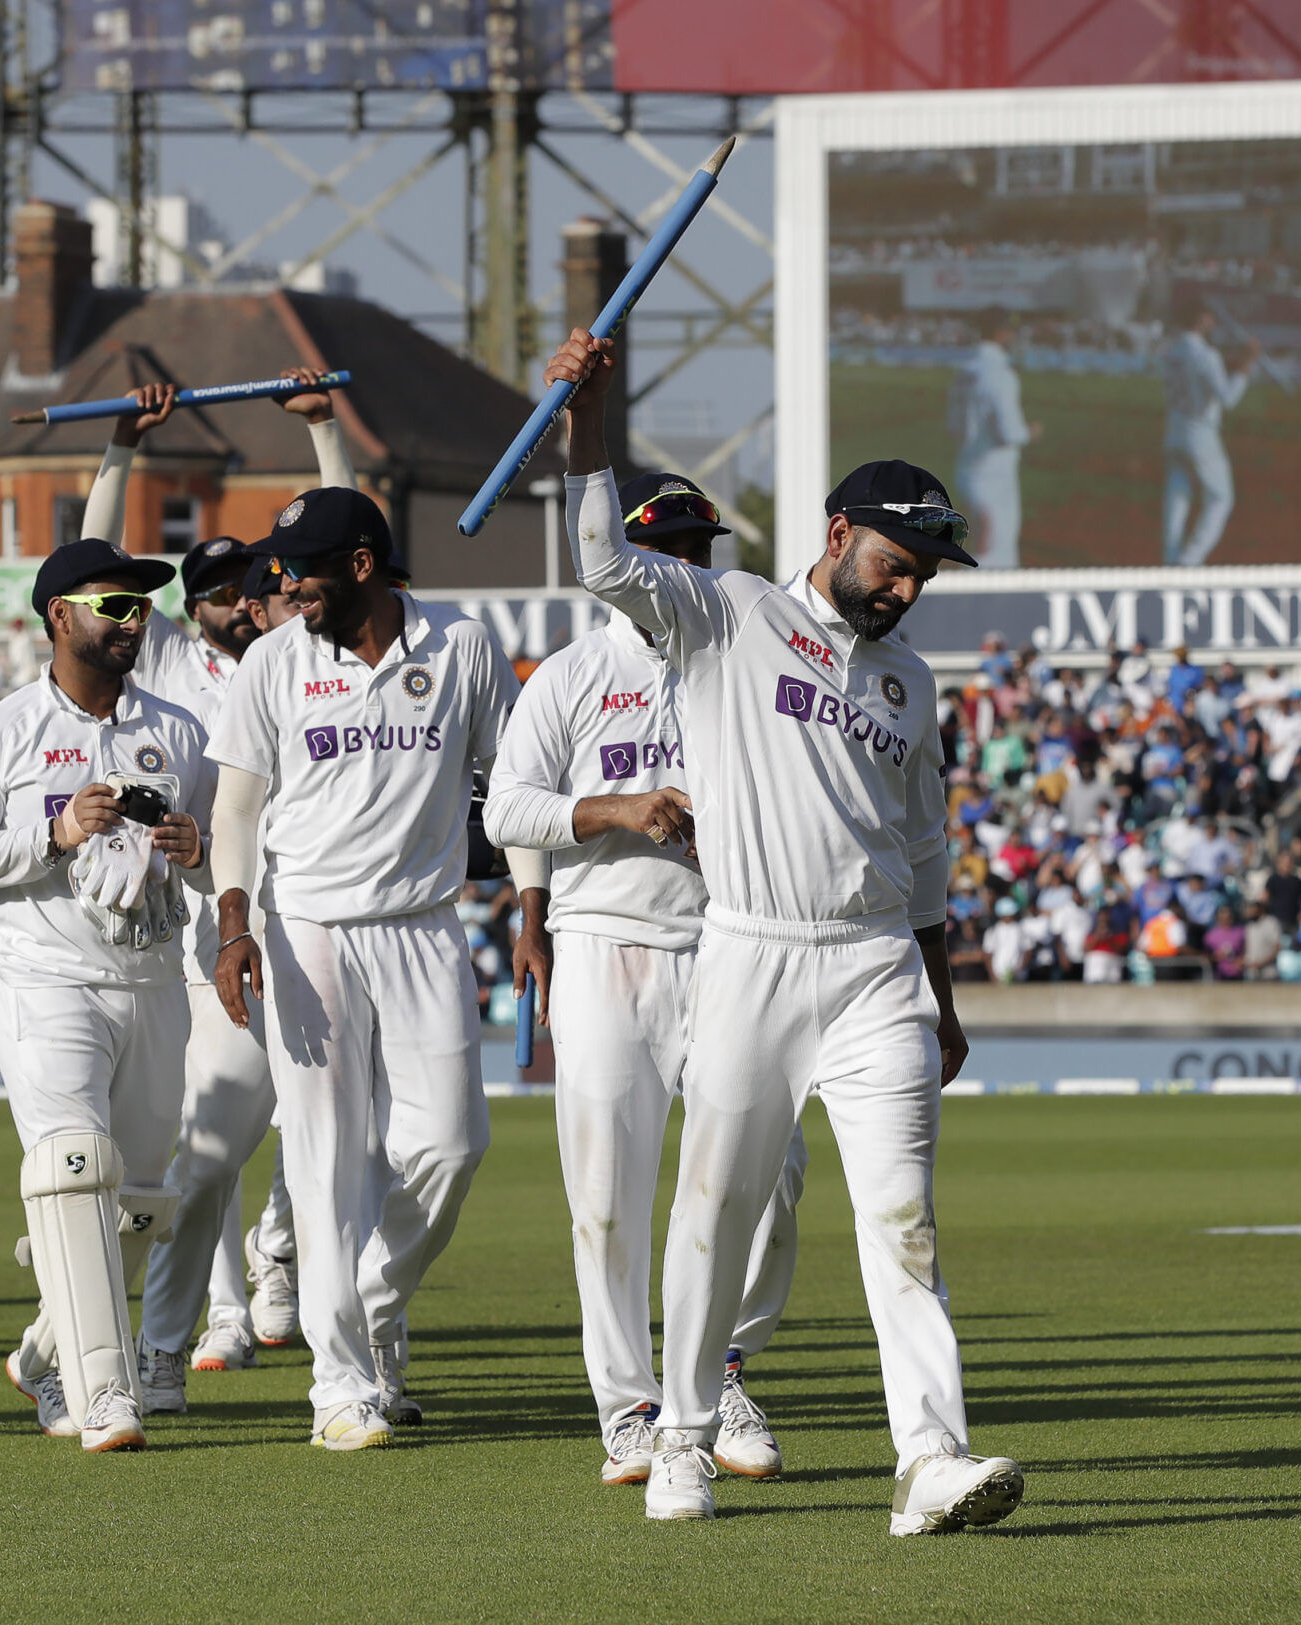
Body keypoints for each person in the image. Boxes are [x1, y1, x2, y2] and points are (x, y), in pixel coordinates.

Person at [545, 327, 1022, 1537]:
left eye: (925, 570)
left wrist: (942, 998)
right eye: (894, 558)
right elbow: (604, 557)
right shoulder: (729, 615)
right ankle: (683, 1436)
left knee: (902, 1221)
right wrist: (586, 424)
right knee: (714, 1205)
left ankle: (930, 1457)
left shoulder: (911, 684)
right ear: (834, 534)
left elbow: (921, 861)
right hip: (750, 952)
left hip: (873, 975)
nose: (907, 584)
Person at [484, 468, 807, 1487]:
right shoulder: (573, 672)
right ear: (626, 556)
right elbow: (504, 813)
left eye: (697, 548)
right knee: (610, 1189)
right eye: (663, 546)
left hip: (735, 943)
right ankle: (629, 1402)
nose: (683, 565)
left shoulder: (747, 662)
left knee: (772, 1173)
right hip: (606, 941)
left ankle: (718, 1370)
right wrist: (617, 810)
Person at [205, 483, 523, 1451]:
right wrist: (234, 923)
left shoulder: (463, 647)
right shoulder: (271, 659)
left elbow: (511, 785)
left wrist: (535, 905)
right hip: (309, 929)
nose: (284, 582)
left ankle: (368, 1307)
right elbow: (237, 811)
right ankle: (339, 1384)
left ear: (360, 567)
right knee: (326, 1160)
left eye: (303, 568)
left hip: (425, 925)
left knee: (454, 1141)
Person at [0, 538, 214, 1453]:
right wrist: (53, 829)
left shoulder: (179, 728)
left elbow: (218, 851)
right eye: (114, 603)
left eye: (141, 605)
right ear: (60, 614)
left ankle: (47, 1354)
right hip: (44, 977)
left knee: (139, 1200)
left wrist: (194, 850)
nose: (133, 619)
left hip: (154, 976)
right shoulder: (0, 730)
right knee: (73, 1166)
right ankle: (102, 1395)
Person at [82, 374, 331, 1407]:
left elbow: (339, 549)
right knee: (211, 1140)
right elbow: (94, 566)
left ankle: (283, 1263)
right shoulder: (177, 665)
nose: (235, 603)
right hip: (209, 932)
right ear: (192, 608)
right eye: (217, 591)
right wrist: (119, 454)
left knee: (334, 1131)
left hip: (319, 917)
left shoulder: (303, 655)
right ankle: (211, 1315)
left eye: (249, 588)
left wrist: (321, 438)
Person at [1160, 292, 1258, 567]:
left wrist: (1233, 362)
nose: (1214, 320)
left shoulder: (1171, 350)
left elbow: (1201, 375)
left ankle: (1170, 558)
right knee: (1220, 499)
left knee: (1177, 495)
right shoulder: (1205, 354)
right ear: (1201, 319)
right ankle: (1190, 561)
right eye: (1209, 316)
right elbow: (1228, 399)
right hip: (1200, 433)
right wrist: (1246, 366)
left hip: (1174, 429)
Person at [946, 312, 1035, 569]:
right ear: (1002, 333)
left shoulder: (964, 372)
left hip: (967, 468)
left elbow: (953, 426)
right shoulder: (1000, 374)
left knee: (976, 547)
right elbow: (1010, 432)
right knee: (995, 552)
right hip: (995, 473)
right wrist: (1030, 432)